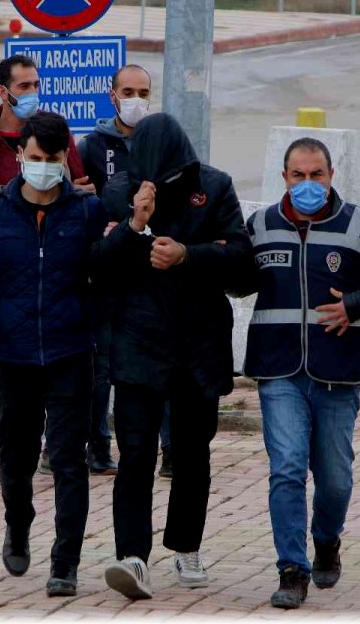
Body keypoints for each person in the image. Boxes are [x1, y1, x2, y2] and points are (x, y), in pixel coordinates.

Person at [236, 138, 360, 609]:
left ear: (331, 176)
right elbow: (236, 281)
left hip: (339, 372)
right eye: (299, 176)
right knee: (288, 469)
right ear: (285, 178)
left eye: (317, 175)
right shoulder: (259, 225)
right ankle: (292, 570)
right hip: (279, 372)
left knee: (334, 479)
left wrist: (353, 306)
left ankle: (327, 540)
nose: (308, 184)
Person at [94, 113, 253, 599]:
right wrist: (133, 224)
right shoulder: (119, 190)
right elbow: (101, 270)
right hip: (139, 339)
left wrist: (189, 254)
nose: (156, 183)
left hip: (199, 341)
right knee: (136, 453)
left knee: (190, 453)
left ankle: (186, 546)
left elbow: (242, 263)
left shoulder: (215, 186)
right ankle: (132, 557)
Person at [0, 111, 107, 597]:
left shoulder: (85, 213)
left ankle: (66, 562)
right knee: (15, 464)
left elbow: (108, 278)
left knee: (67, 461)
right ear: (20, 156)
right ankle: (18, 526)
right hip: (12, 360)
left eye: (52, 159)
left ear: (66, 159)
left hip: (71, 355)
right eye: (34, 158)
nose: (41, 167)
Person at [0, 53, 93, 484]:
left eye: (36, 85)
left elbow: (79, 184)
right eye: (24, 86)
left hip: (49, 252)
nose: (32, 93)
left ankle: (56, 448)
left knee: (57, 365)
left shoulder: (55, 135)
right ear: (3, 92)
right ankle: (5, 451)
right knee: (0, 359)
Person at [77, 64, 154, 477]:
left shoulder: (159, 143)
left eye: (143, 92)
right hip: (105, 272)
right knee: (101, 366)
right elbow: (79, 203)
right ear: (112, 96)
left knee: (146, 363)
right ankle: (98, 446)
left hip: (148, 272)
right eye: (128, 92)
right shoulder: (93, 145)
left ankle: (156, 446)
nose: (135, 100)